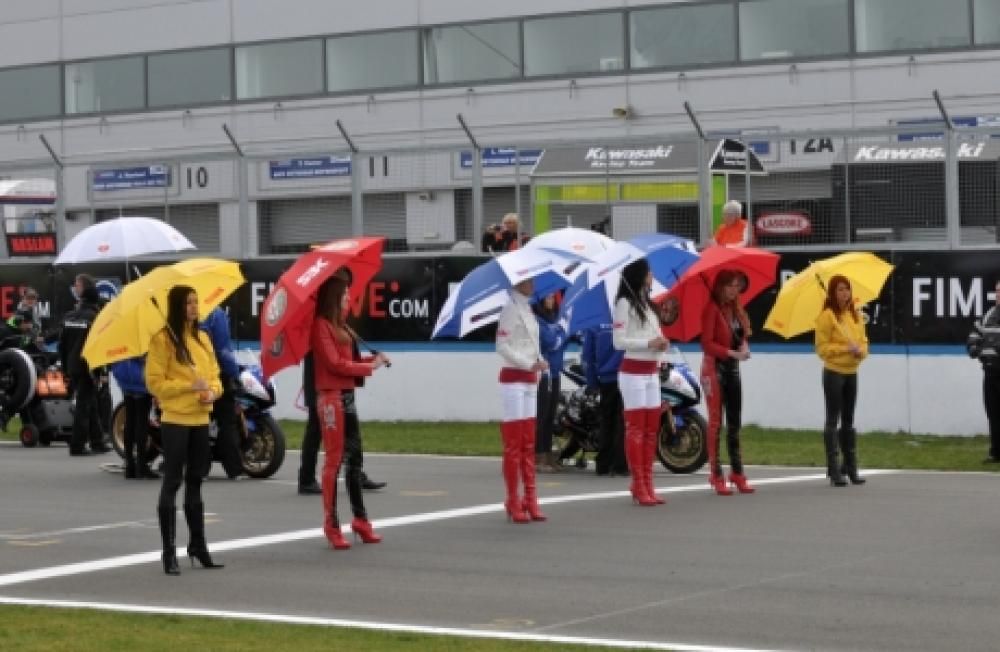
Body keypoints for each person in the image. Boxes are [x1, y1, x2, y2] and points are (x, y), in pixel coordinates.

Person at [146, 285, 224, 575]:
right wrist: (189, 386)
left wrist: (212, 392)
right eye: (188, 302)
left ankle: (198, 545)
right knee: (173, 481)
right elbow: (155, 383)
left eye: (196, 302)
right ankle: (169, 551)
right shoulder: (163, 340)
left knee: (196, 481)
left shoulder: (203, 338)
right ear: (178, 306)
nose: (194, 307)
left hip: (201, 419)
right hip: (176, 419)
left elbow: (215, 376)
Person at [612, 258, 667, 507]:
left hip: (651, 371)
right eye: (648, 272)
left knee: (651, 429)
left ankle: (647, 483)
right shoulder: (624, 303)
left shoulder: (649, 304)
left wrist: (661, 348)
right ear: (639, 275)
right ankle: (639, 482)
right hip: (632, 372)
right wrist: (648, 344)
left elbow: (656, 336)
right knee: (636, 428)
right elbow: (618, 341)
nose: (651, 275)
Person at [297, 350, 388, 495]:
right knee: (315, 432)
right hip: (323, 388)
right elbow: (336, 362)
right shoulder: (320, 335)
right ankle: (306, 479)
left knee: (350, 433)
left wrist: (371, 360)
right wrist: (370, 365)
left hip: (340, 387)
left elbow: (346, 359)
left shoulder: (341, 335)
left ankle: (355, 474)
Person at [496, 276, 548, 523]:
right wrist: (528, 363)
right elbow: (502, 345)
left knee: (528, 442)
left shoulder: (528, 308)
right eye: (528, 280)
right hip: (513, 380)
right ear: (517, 282)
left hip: (529, 379)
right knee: (514, 444)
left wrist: (538, 362)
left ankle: (530, 497)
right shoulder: (510, 308)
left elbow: (531, 343)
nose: (532, 284)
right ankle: (513, 499)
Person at [700, 270, 754, 496]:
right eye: (731, 285)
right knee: (715, 422)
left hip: (733, 368)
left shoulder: (736, 309)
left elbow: (741, 335)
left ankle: (737, 472)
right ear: (721, 286)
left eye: (737, 286)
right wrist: (731, 352)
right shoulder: (711, 309)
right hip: (714, 368)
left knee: (734, 422)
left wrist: (744, 346)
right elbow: (707, 344)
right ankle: (716, 474)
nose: (734, 290)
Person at [815, 274, 869, 486]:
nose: (844, 293)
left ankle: (851, 466)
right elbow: (822, 349)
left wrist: (860, 352)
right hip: (834, 373)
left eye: (847, 289)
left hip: (852, 372)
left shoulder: (856, 315)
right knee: (833, 419)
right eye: (840, 289)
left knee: (848, 420)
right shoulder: (827, 316)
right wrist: (845, 348)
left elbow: (864, 342)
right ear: (832, 293)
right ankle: (834, 468)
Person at [59, 274, 110, 456]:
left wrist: (65, 368)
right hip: (87, 367)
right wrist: (100, 371)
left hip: (72, 366)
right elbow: (98, 346)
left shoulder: (69, 316)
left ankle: (97, 442)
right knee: (84, 405)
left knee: (91, 402)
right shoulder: (95, 318)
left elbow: (62, 345)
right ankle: (77, 445)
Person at [200, 307, 245, 479]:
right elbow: (223, 349)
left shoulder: (182, 312)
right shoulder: (215, 314)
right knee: (227, 422)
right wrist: (234, 374)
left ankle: (200, 468)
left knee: (200, 423)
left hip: (195, 375)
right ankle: (234, 469)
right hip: (217, 373)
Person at [582, 320, 626, 476]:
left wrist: (592, 382)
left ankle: (603, 464)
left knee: (607, 421)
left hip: (606, 379)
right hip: (626, 376)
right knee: (623, 422)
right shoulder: (626, 319)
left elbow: (587, 356)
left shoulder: (594, 322)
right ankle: (621, 464)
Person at [533, 292, 568, 473]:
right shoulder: (537, 320)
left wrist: (561, 335)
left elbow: (563, 340)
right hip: (543, 373)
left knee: (550, 416)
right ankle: (538, 455)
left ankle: (547, 453)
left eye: (553, 298)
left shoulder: (555, 319)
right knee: (542, 415)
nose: (551, 301)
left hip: (555, 371)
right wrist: (561, 334)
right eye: (548, 297)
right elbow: (549, 342)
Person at [110, 355, 159, 479]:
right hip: (141, 380)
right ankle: (141, 465)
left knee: (130, 420)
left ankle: (129, 464)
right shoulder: (143, 345)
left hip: (125, 378)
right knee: (141, 422)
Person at [976, 280, 1000, 463]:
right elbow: (976, 333)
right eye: (997, 291)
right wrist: (973, 346)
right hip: (990, 372)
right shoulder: (989, 314)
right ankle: (995, 452)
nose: (998, 294)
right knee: (993, 412)